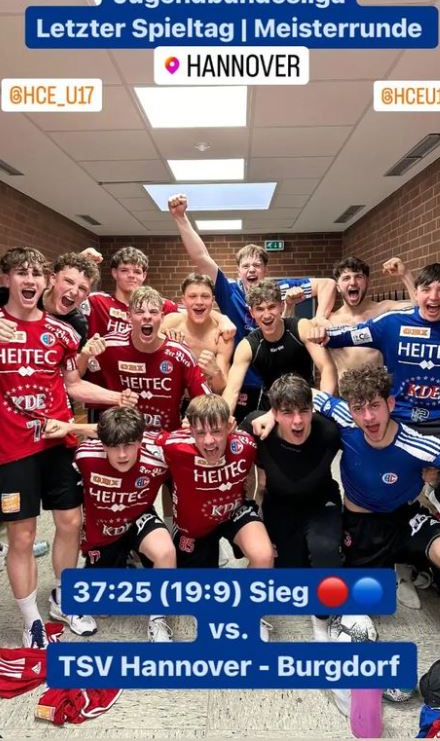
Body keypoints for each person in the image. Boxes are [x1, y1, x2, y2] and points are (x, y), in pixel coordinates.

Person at [0, 247, 138, 649]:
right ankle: (31, 621)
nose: (29, 281)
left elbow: (72, 384)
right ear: (7, 279)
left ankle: (65, 598)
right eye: (21, 274)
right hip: (12, 449)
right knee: (22, 536)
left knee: (70, 522)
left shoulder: (63, 332)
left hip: (59, 442)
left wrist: (115, 397)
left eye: (35, 274)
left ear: (44, 281)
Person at [296, 364, 440, 665]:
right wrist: (268, 414)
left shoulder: (417, 443)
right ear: (350, 410)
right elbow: (302, 394)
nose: (368, 417)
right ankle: (396, 575)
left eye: (375, 406)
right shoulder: (343, 417)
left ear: (390, 403)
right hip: (362, 525)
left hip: (406, 518)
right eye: (359, 408)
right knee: (361, 606)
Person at [322, 263, 440, 528]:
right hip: (400, 415)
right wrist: (311, 326)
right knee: (382, 468)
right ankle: (390, 520)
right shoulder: (392, 323)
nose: (433, 296)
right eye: (426, 289)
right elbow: (338, 337)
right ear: (416, 293)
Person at [168, 193, 337, 418]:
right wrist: (181, 218)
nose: (251, 270)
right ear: (238, 271)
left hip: (283, 382)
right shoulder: (230, 291)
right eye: (246, 265)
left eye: (257, 265)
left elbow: (327, 284)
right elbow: (201, 257)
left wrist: (320, 318)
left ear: (265, 271)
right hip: (245, 382)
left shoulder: (280, 289)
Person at [155, 394, 275, 639]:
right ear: (189, 429)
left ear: (230, 426)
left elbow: (279, 418)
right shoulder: (172, 444)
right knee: (199, 597)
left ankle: (250, 613)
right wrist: (78, 429)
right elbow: (128, 440)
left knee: (264, 556)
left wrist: (272, 414)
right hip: (193, 526)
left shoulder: (246, 444)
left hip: (233, 511)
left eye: (217, 431)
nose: (209, 441)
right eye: (200, 433)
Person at [240, 374, 342, 642]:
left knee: (324, 551)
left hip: (321, 503)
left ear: (312, 409)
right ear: (274, 413)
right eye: (287, 413)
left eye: (303, 411)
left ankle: (323, 620)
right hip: (280, 506)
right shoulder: (257, 426)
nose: (297, 421)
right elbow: (224, 442)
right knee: (286, 576)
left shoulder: (329, 431)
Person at [72, 407, 175, 642]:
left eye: (128, 445)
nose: (122, 455)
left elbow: (192, 439)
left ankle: (158, 620)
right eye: (114, 446)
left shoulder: (158, 456)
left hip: (138, 519)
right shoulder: (83, 457)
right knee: (103, 608)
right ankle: (124, 563)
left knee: (166, 552)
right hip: (102, 531)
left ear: (140, 440)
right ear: (102, 444)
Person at [83, 286, 211, 430]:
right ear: (129, 317)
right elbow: (76, 381)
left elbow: (205, 399)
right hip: (122, 436)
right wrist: (84, 355)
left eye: (153, 311)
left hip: (166, 436)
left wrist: (194, 416)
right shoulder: (109, 346)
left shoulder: (180, 352)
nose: (147, 316)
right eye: (139, 311)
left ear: (162, 317)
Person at [222, 280, 337, 414]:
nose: (266, 315)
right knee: (251, 420)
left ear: (282, 306)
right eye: (259, 309)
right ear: (251, 313)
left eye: (271, 307)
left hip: (305, 405)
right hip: (271, 411)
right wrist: (224, 420)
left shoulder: (301, 327)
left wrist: (323, 407)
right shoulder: (247, 346)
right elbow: (232, 390)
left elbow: (327, 367)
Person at [0, 251, 100, 347]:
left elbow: (75, 357)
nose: (74, 292)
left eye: (82, 288)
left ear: (86, 296)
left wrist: (87, 355)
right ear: (53, 279)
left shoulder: (77, 325)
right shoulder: (17, 295)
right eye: (69, 282)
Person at [160, 273, 234, 393]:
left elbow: (221, 389)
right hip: (171, 396)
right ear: (183, 300)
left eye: (205, 296)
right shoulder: (170, 322)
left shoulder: (222, 335)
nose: (199, 302)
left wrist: (216, 372)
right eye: (192, 296)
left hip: (205, 399)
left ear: (212, 301)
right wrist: (162, 338)